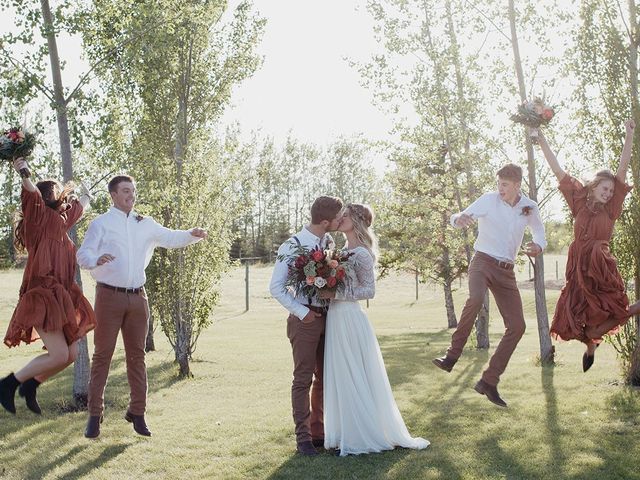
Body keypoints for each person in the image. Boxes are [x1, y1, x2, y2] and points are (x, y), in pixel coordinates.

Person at [76, 175, 207, 438]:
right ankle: (94, 415)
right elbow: (82, 254)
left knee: (137, 357)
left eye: (133, 191)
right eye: (126, 191)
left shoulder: (145, 223)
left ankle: (138, 412)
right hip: (108, 298)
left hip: (138, 299)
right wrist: (95, 259)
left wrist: (192, 235)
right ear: (113, 195)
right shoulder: (100, 223)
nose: (131, 195)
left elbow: (170, 237)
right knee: (102, 356)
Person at [432, 163, 546, 407]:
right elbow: (460, 216)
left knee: (517, 326)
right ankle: (452, 356)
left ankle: (489, 381)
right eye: (499, 184)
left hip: (506, 271)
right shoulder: (488, 200)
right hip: (482, 261)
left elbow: (539, 231)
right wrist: (458, 219)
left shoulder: (529, 207)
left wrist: (538, 246)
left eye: (504, 185)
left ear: (517, 185)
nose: (500, 188)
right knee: (475, 298)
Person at [319, 204, 429, 456]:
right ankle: (344, 431)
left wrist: (336, 292)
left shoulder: (362, 253)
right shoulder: (341, 250)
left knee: (355, 374)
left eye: (345, 216)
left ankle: (364, 434)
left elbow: (369, 291)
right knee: (342, 375)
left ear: (356, 221)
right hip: (335, 317)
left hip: (350, 318)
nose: (341, 218)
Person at [535, 121, 640, 371]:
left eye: (611, 190)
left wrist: (629, 136)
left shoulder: (612, 209)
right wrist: (540, 139)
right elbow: (557, 169)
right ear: (593, 187)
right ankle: (591, 345)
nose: (608, 193)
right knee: (571, 322)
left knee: (609, 314)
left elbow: (622, 170)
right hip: (578, 268)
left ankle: (629, 314)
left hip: (600, 267)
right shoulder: (578, 201)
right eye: (605, 188)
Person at [0, 157, 96, 416]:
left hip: (61, 297)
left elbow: (80, 207)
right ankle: (8, 384)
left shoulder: (61, 222)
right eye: (55, 192)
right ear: (47, 197)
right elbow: (31, 193)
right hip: (42, 296)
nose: (61, 197)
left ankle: (31, 385)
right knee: (57, 355)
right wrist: (23, 171)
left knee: (71, 354)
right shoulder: (37, 219)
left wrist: (87, 194)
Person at [269, 196, 344, 456]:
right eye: (337, 217)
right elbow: (275, 287)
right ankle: (302, 439)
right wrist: (303, 313)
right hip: (305, 320)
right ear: (325, 221)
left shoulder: (330, 242)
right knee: (302, 379)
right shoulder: (292, 245)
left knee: (324, 378)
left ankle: (319, 433)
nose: (340, 220)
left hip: (330, 318)